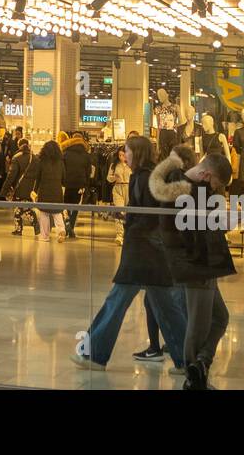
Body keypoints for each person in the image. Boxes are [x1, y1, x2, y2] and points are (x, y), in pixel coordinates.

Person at [73, 135, 187, 370]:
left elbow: (145, 216)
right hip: (152, 251)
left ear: (138, 153)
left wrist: (128, 220)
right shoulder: (152, 176)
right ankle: (189, 359)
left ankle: (93, 352)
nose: (124, 155)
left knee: (116, 301)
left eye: (127, 151)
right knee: (166, 307)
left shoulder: (142, 177)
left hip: (141, 252)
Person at [151, 145, 236, 390]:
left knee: (219, 317)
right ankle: (194, 377)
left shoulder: (185, 187)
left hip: (201, 265)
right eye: (216, 184)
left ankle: (200, 364)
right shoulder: (185, 190)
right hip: (196, 265)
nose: (215, 189)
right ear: (208, 175)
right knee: (199, 323)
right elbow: (181, 229)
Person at [20, 140, 66, 241]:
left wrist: (35, 190)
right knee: (57, 213)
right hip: (57, 191)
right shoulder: (60, 162)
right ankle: (61, 230)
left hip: (44, 191)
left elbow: (38, 178)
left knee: (44, 213)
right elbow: (64, 179)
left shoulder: (41, 161)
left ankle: (45, 236)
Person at [60, 132, 93, 238]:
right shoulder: (86, 155)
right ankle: (71, 228)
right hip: (80, 185)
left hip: (66, 184)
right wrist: (86, 184)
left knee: (65, 205)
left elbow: (61, 170)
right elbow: (88, 172)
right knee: (75, 206)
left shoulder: (65, 153)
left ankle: (67, 223)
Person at [2, 139, 37, 236]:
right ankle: (31, 224)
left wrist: (4, 189)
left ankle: (23, 226)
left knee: (18, 209)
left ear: (19, 146)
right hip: (31, 188)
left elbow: (11, 175)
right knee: (24, 207)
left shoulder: (16, 158)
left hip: (19, 187)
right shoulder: (34, 158)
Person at [107, 143, 130, 245]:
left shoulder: (132, 164)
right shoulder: (114, 165)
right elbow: (108, 178)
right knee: (119, 211)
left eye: (123, 155)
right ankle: (119, 235)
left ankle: (128, 235)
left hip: (129, 188)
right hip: (118, 188)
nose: (121, 157)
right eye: (120, 155)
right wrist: (114, 177)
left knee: (129, 213)